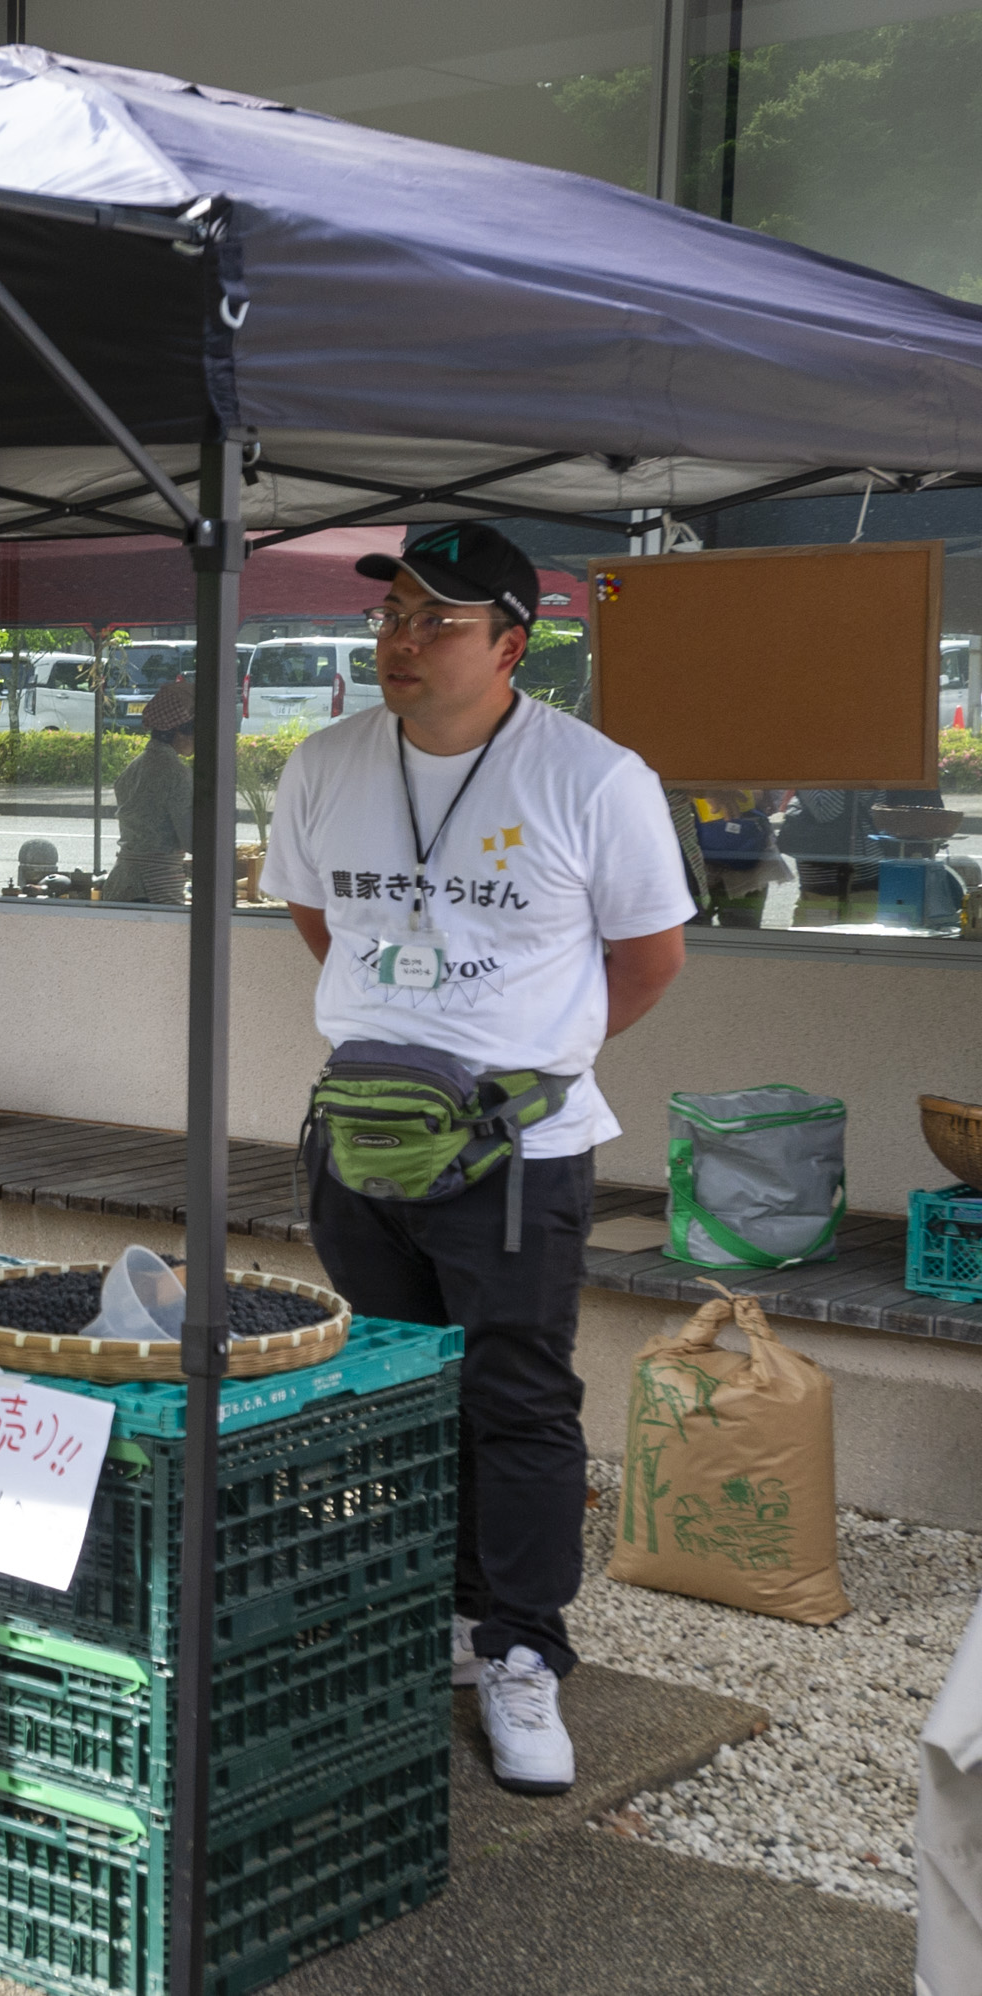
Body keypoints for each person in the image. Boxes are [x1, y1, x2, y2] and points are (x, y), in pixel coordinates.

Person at [261, 522, 690, 1796]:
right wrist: (415, 1057)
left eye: (434, 620)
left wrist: (520, 1066)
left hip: (522, 1152)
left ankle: (520, 1650)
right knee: (391, 1390)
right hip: (363, 1140)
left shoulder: (593, 778)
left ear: (512, 643)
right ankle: (425, 1615)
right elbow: (317, 917)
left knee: (514, 1396)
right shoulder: (324, 763)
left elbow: (650, 957)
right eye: (392, 614)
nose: (399, 639)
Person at [101, 675, 197, 904]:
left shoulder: (135, 766)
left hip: (122, 881)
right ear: (180, 732)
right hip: (152, 888)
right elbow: (192, 840)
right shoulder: (176, 773)